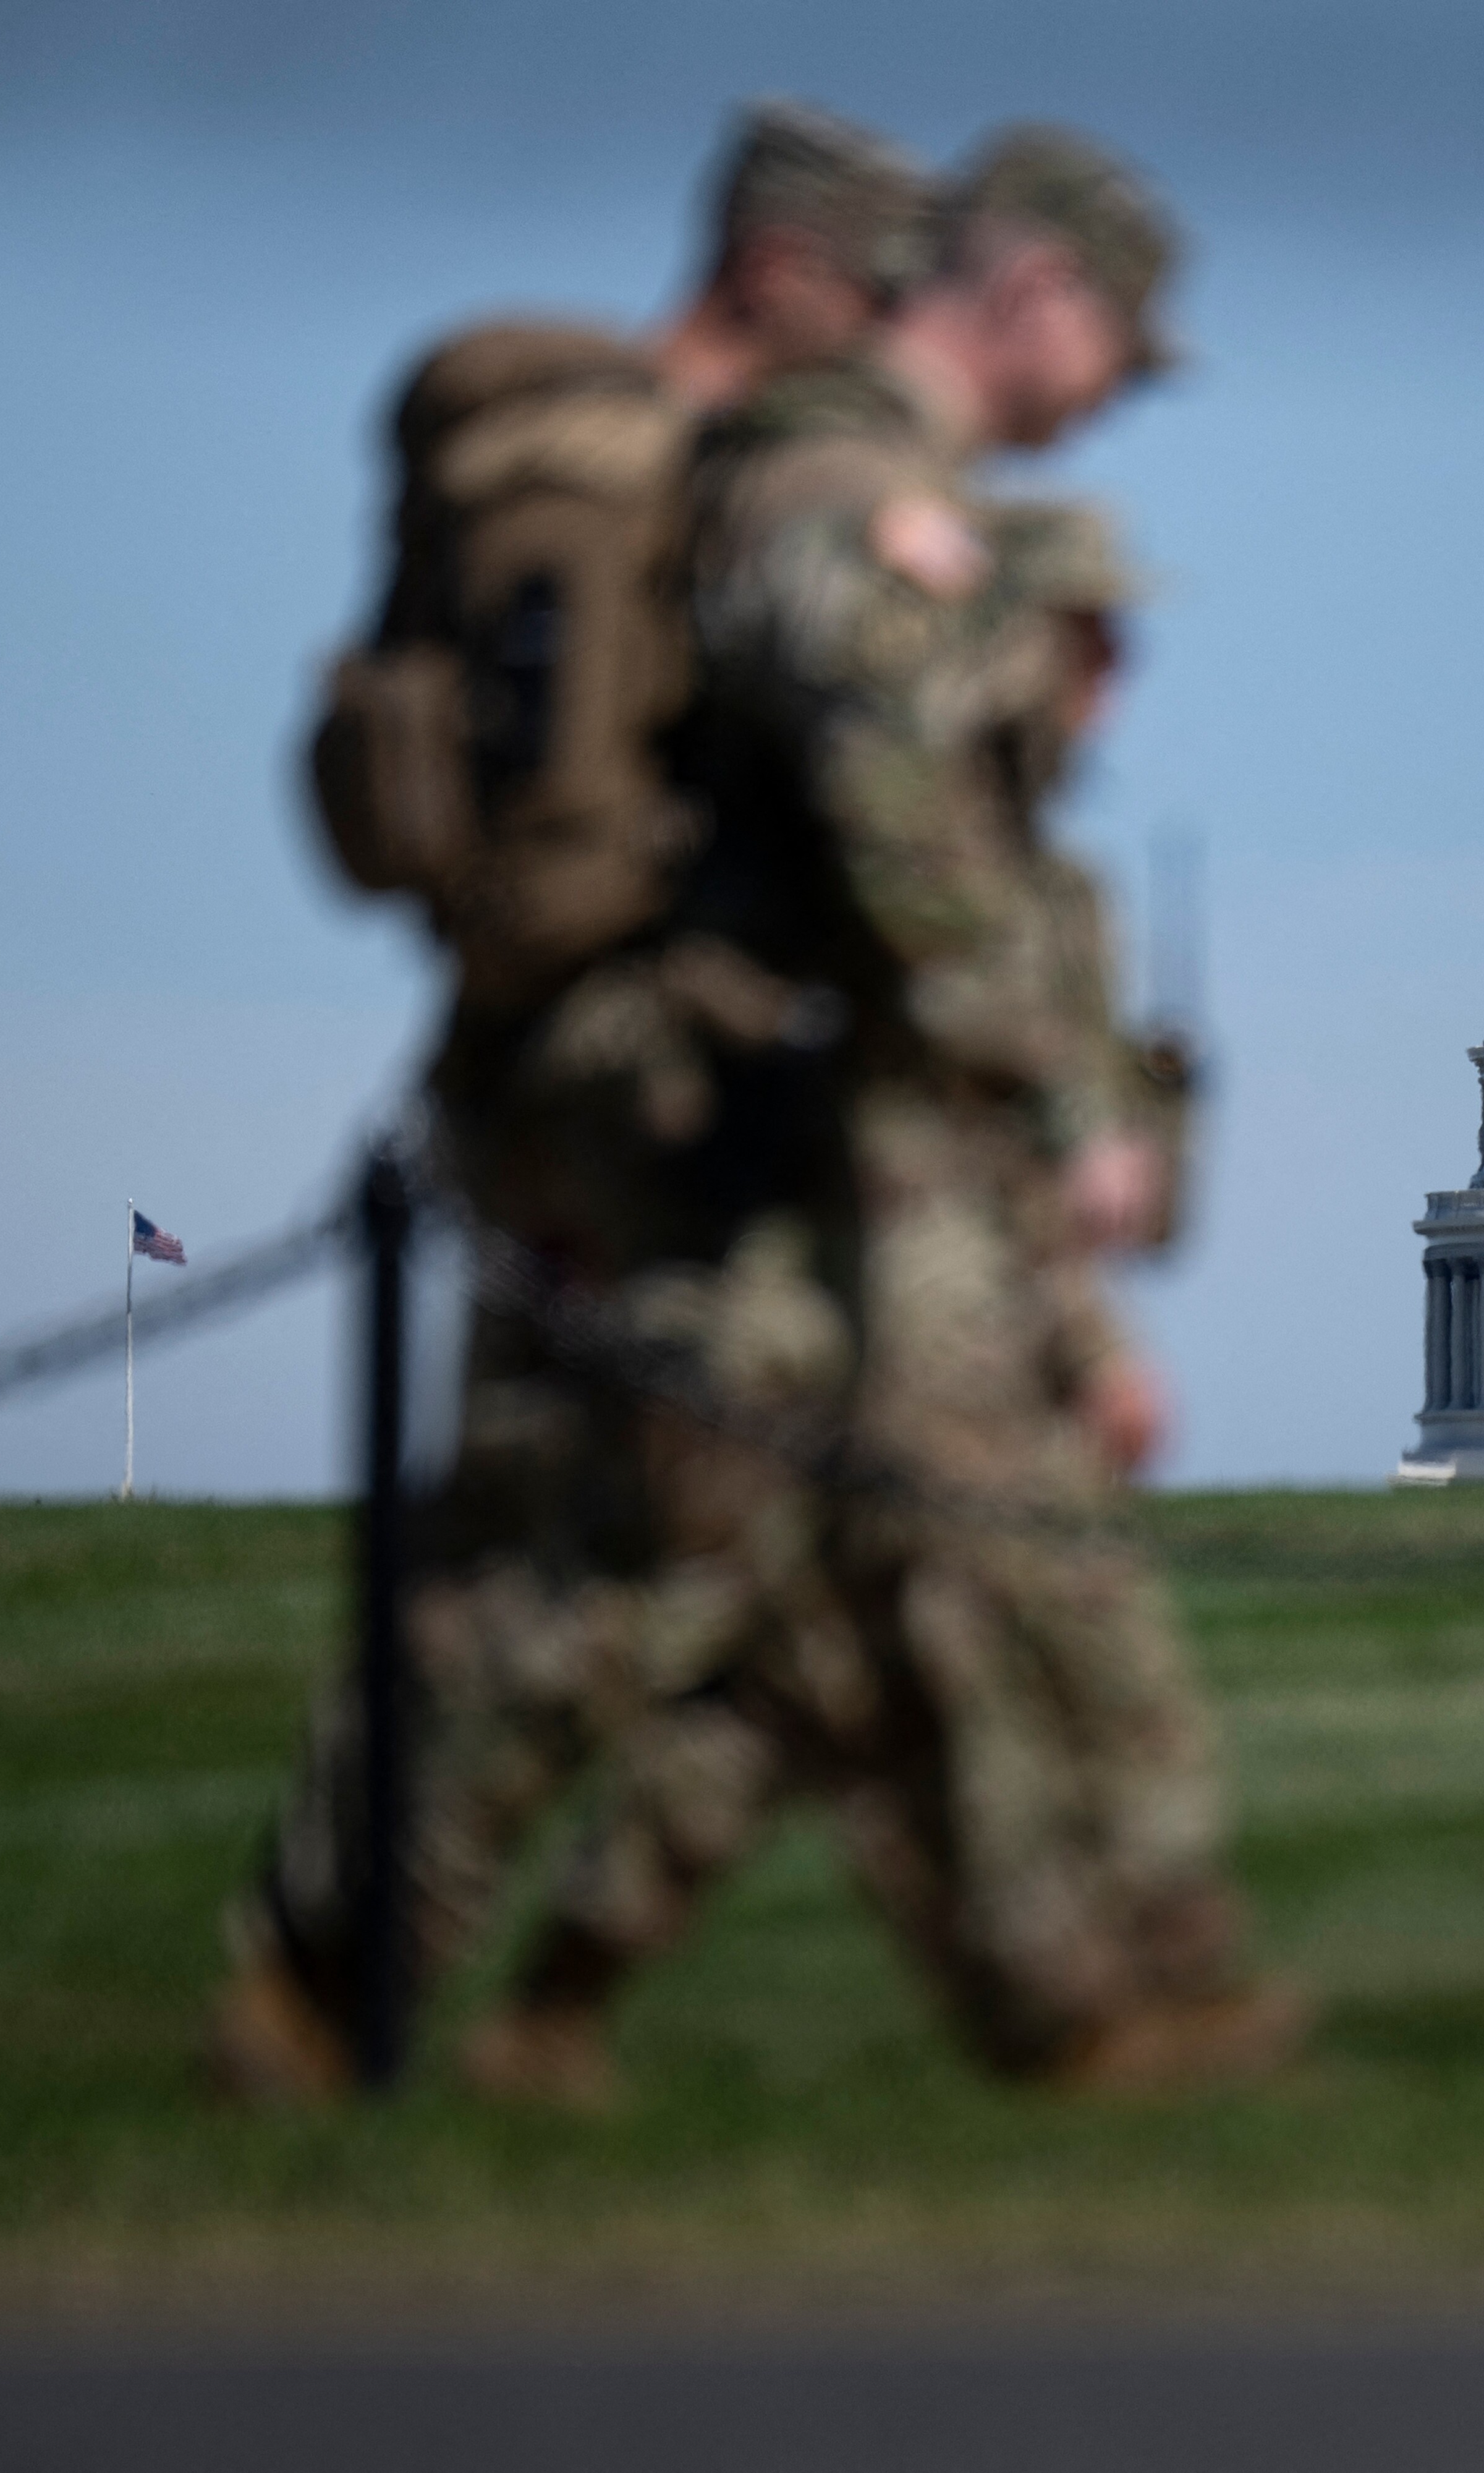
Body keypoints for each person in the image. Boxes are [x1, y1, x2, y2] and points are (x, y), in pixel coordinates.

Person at [454, 127, 1299, 2107]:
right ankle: (361, 1989)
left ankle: (1074, 2007)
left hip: (885, 1224)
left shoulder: (1039, 846)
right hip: (833, 1215)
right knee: (707, 1617)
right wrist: (1054, 1147)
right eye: (1090, 637)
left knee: (818, 1669)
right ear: (1032, 296)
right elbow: (898, 889)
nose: (1114, 678)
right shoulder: (853, 521)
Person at [209, 101, 934, 2106]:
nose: (879, 340)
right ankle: (358, 1988)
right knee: (657, 1545)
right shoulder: (694, 486)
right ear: (783, 270)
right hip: (654, 1069)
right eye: (868, 292)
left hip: (495, 1041)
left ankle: (386, 1986)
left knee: (504, 1534)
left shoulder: (500, 453)